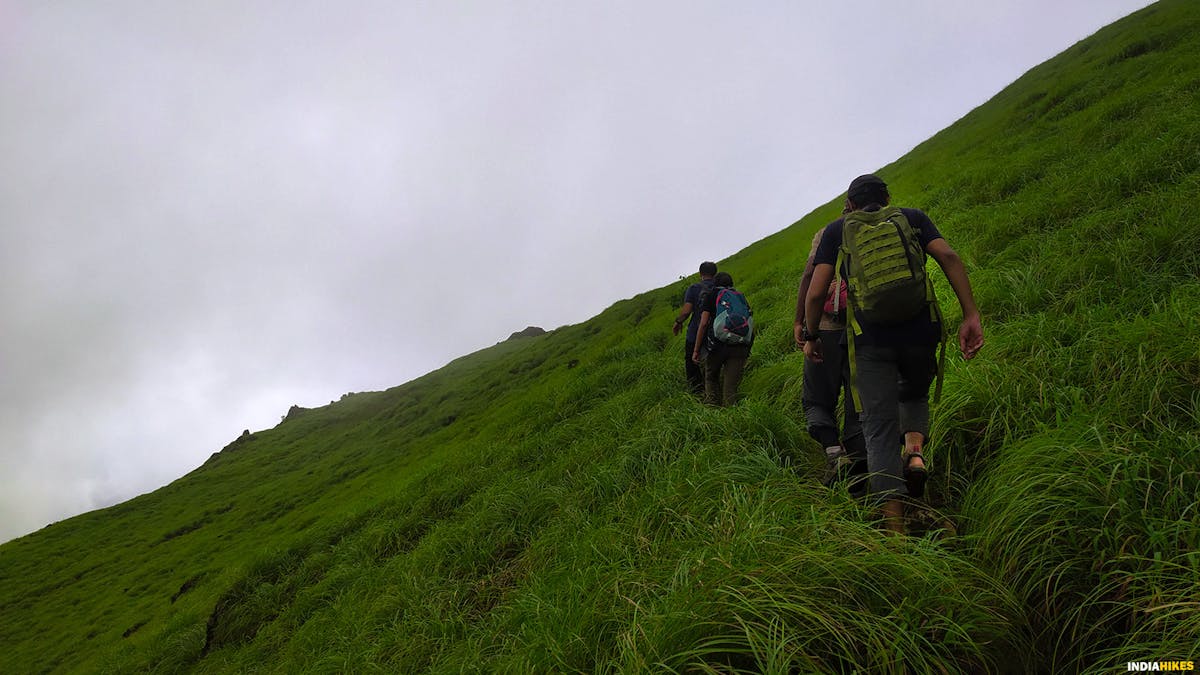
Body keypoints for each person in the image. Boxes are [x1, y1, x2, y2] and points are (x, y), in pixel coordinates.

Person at [803, 174, 983, 533]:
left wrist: (812, 335)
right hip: (921, 331)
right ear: (887, 198)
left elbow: (815, 291)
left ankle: (895, 530)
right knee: (914, 392)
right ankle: (915, 454)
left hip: (869, 341)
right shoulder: (912, 217)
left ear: (850, 204)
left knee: (879, 427)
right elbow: (948, 255)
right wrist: (970, 314)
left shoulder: (838, 230)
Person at [795, 221, 866, 492]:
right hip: (863, 330)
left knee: (816, 399)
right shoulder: (878, 227)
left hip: (825, 329)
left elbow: (810, 276)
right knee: (856, 397)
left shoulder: (826, 232)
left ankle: (835, 455)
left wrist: (800, 322)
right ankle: (861, 464)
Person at [693, 272, 753, 406]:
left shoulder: (711, 295)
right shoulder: (739, 296)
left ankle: (713, 411)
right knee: (731, 388)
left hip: (717, 345)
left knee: (711, 378)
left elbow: (703, 324)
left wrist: (696, 349)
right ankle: (732, 418)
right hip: (740, 345)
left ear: (715, 283)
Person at [673, 261, 718, 396]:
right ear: (714, 273)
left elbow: (687, 311)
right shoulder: (719, 287)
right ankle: (714, 391)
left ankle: (697, 394)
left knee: (692, 364)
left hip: (694, 332)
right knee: (712, 363)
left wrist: (678, 321)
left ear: (700, 273)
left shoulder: (694, 288)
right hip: (715, 332)